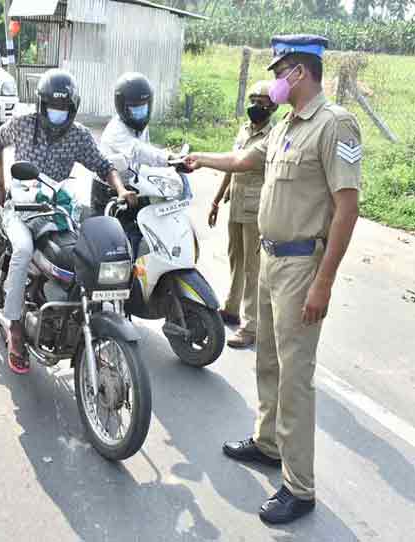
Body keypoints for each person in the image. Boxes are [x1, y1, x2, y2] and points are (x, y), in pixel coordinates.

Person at [184, 35, 361, 524]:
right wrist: (201, 159)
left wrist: (323, 282)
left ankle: (299, 487)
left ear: (298, 74)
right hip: (269, 261)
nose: (274, 83)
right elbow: (245, 161)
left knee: (296, 378)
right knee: (267, 360)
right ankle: (268, 444)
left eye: (279, 72)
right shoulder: (285, 125)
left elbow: (348, 208)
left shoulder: (334, 125)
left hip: (303, 266)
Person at [0, 68, 137, 373]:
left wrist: (121, 189)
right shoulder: (22, 125)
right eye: (53, 108)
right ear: (42, 106)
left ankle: (84, 307)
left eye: (64, 109)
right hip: (20, 205)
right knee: (21, 250)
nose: (58, 114)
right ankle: (15, 326)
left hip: (56, 207)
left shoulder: (79, 136)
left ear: (72, 110)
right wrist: (3, 187)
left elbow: (103, 165)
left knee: (90, 245)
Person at [208, 80, 278, 349]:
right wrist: (216, 200)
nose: (255, 106)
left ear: (272, 106)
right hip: (236, 205)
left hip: (256, 209)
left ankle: (249, 327)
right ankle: (231, 308)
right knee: (236, 258)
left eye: (261, 102)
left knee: (253, 267)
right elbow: (232, 165)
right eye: (253, 100)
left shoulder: (273, 135)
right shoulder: (245, 130)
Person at [93, 71, 169, 256]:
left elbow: (146, 155)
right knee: (114, 246)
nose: (140, 112)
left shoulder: (141, 126)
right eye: (134, 107)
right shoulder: (116, 129)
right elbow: (138, 151)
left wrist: (170, 169)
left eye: (143, 106)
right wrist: (169, 158)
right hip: (109, 190)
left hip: (132, 186)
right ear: (122, 107)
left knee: (140, 234)